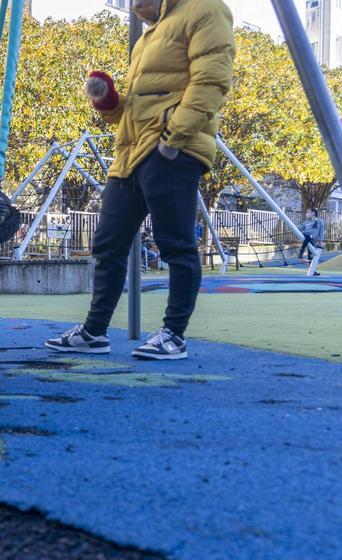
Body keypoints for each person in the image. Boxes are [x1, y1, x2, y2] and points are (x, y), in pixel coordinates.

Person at [45, 0, 234, 360]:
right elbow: (133, 108)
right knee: (107, 242)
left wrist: (173, 137)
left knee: (175, 243)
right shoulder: (149, 36)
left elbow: (212, 80)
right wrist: (108, 102)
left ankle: (173, 335)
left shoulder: (206, 8)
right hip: (131, 152)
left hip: (171, 149)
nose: (131, 3)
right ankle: (95, 331)